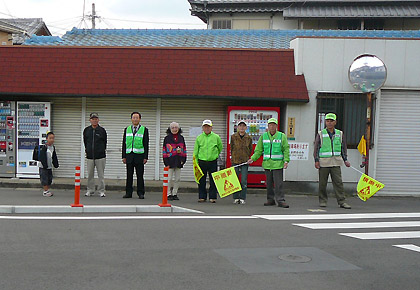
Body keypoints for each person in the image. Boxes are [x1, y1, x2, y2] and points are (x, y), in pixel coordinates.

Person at [248, 118, 290, 208]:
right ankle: (270, 199)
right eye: (270, 125)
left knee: (278, 183)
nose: (272, 126)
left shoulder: (282, 136)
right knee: (269, 183)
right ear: (268, 126)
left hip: (278, 164)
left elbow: (286, 149)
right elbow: (258, 150)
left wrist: (286, 161)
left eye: (273, 125)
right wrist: (252, 158)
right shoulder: (264, 136)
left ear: (276, 126)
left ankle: (280, 200)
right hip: (267, 164)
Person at [314, 113, 351, 209]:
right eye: (327, 121)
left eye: (331, 121)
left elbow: (343, 148)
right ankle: (322, 200)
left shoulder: (340, 133)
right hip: (324, 162)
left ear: (335, 122)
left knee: (338, 182)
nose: (329, 123)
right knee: (322, 183)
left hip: (336, 162)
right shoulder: (321, 133)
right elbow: (316, 148)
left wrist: (345, 159)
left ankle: (342, 201)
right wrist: (316, 160)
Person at [194, 119, 223, 203]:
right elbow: (196, 150)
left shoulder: (216, 137)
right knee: (201, 180)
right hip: (201, 161)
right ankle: (202, 197)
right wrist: (195, 161)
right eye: (205, 127)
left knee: (213, 180)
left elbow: (220, 147)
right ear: (203, 128)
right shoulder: (199, 138)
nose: (207, 128)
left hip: (213, 161)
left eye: (208, 127)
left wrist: (215, 155)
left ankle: (212, 197)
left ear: (211, 128)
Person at [122, 112, 149, 199]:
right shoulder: (127, 129)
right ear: (131, 119)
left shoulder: (144, 130)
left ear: (140, 119)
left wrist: (145, 157)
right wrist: (123, 156)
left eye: (137, 118)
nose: (135, 119)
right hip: (129, 156)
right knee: (129, 175)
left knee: (140, 175)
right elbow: (124, 144)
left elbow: (146, 144)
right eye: (134, 117)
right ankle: (128, 193)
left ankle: (141, 193)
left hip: (139, 156)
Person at [83, 112, 107, 197]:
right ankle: (90, 190)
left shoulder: (102, 130)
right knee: (90, 174)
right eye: (93, 119)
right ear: (90, 120)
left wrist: (101, 151)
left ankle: (101, 191)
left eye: (96, 119)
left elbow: (105, 142)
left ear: (98, 120)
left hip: (100, 157)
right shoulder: (87, 130)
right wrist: (88, 151)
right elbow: (85, 142)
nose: (94, 120)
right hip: (90, 156)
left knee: (101, 175)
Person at [162, 122, 187, 201]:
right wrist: (166, 162)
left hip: (179, 161)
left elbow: (184, 149)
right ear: (170, 129)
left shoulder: (181, 138)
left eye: (176, 127)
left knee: (177, 179)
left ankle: (175, 193)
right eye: (172, 127)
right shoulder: (167, 138)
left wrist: (183, 159)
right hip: (170, 161)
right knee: (169, 179)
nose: (174, 129)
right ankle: (168, 194)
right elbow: (164, 151)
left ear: (178, 129)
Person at [230, 120, 252, 204]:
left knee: (243, 180)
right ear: (237, 127)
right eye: (240, 126)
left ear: (246, 128)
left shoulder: (249, 137)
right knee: (235, 179)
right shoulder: (233, 137)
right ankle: (235, 197)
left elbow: (250, 149)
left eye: (243, 126)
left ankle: (242, 197)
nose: (242, 128)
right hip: (235, 160)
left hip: (244, 161)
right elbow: (231, 147)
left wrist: (247, 157)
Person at [38, 132, 59, 197]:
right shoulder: (44, 147)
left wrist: (56, 164)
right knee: (44, 179)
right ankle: (45, 191)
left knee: (49, 179)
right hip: (43, 166)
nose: (52, 140)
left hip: (49, 166)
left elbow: (54, 156)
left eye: (53, 138)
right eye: (50, 138)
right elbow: (42, 157)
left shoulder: (52, 147)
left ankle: (47, 190)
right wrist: (44, 165)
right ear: (47, 139)